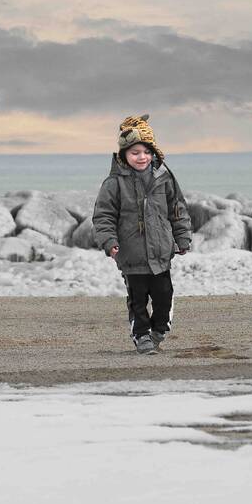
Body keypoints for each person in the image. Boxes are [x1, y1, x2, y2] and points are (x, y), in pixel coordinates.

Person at [92, 114, 192, 354]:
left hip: (160, 253)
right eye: (135, 152)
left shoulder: (164, 178)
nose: (141, 157)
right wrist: (109, 242)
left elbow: (177, 209)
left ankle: (159, 330)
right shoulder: (114, 183)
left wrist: (182, 237)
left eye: (146, 152)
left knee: (164, 296)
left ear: (153, 153)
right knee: (137, 301)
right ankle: (141, 336)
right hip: (131, 254)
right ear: (124, 154)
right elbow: (103, 216)